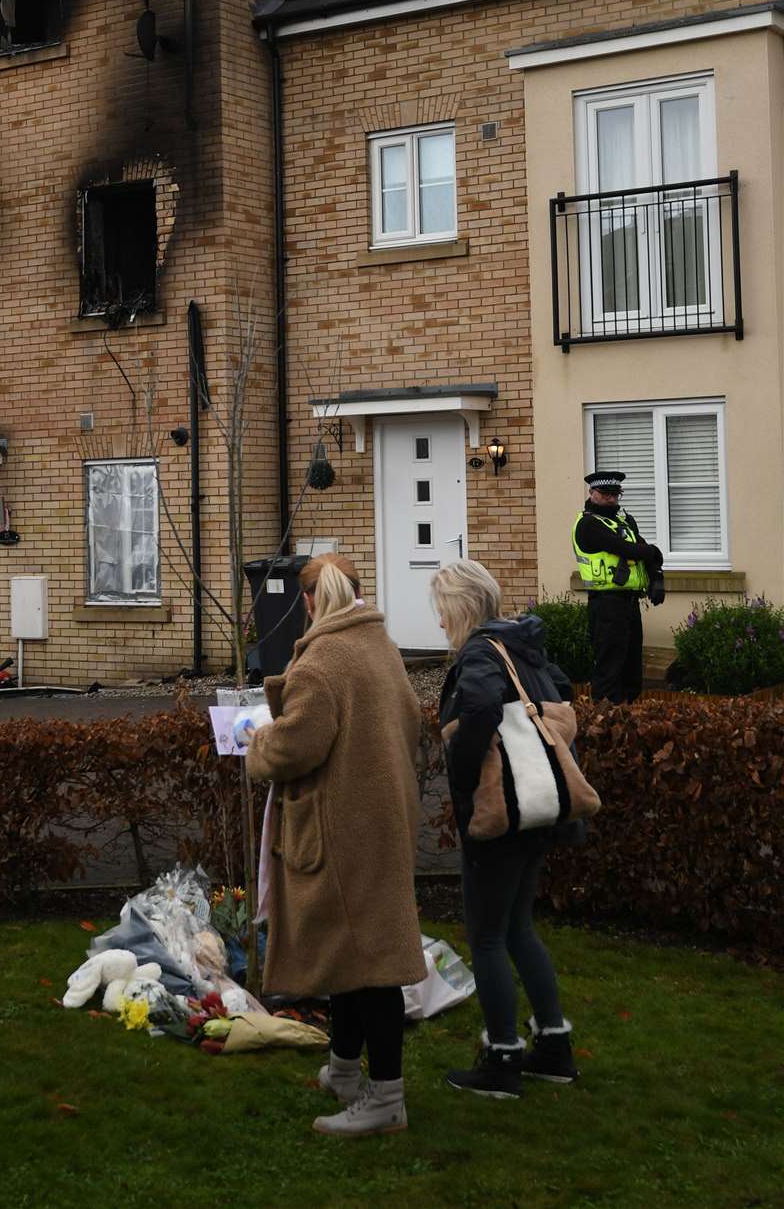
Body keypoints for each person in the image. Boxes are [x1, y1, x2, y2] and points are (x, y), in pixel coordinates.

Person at [243, 554, 423, 1139]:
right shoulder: (381, 646)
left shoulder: (323, 659)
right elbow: (410, 719)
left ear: (312, 601)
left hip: (343, 829)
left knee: (373, 965)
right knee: (353, 950)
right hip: (382, 820)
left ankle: (387, 1100)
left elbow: (298, 748)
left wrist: (260, 742)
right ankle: (346, 1070)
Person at [433, 559, 577, 1099]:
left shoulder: (478, 653)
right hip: (538, 808)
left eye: (443, 611)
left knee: (488, 937)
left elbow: (481, 708)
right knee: (519, 928)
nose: (441, 624)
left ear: (460, 607)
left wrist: (469, 778)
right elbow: (561, 697)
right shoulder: (523, 646)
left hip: (499, 815)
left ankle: (501, 1057)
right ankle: (554, 1047)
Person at [574, 470, 665, 702]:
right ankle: (604, 724)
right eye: (605, 494)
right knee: (609, 667)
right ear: (592, 493)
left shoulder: (625, 520)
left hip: (630, 602)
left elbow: (649, 554)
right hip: (606, 605)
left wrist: (656, 577)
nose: (611, 499)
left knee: (632, 666)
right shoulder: (588, 524)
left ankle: (629, 720)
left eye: (615, 494)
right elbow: (626, 549)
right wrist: (651, 552)